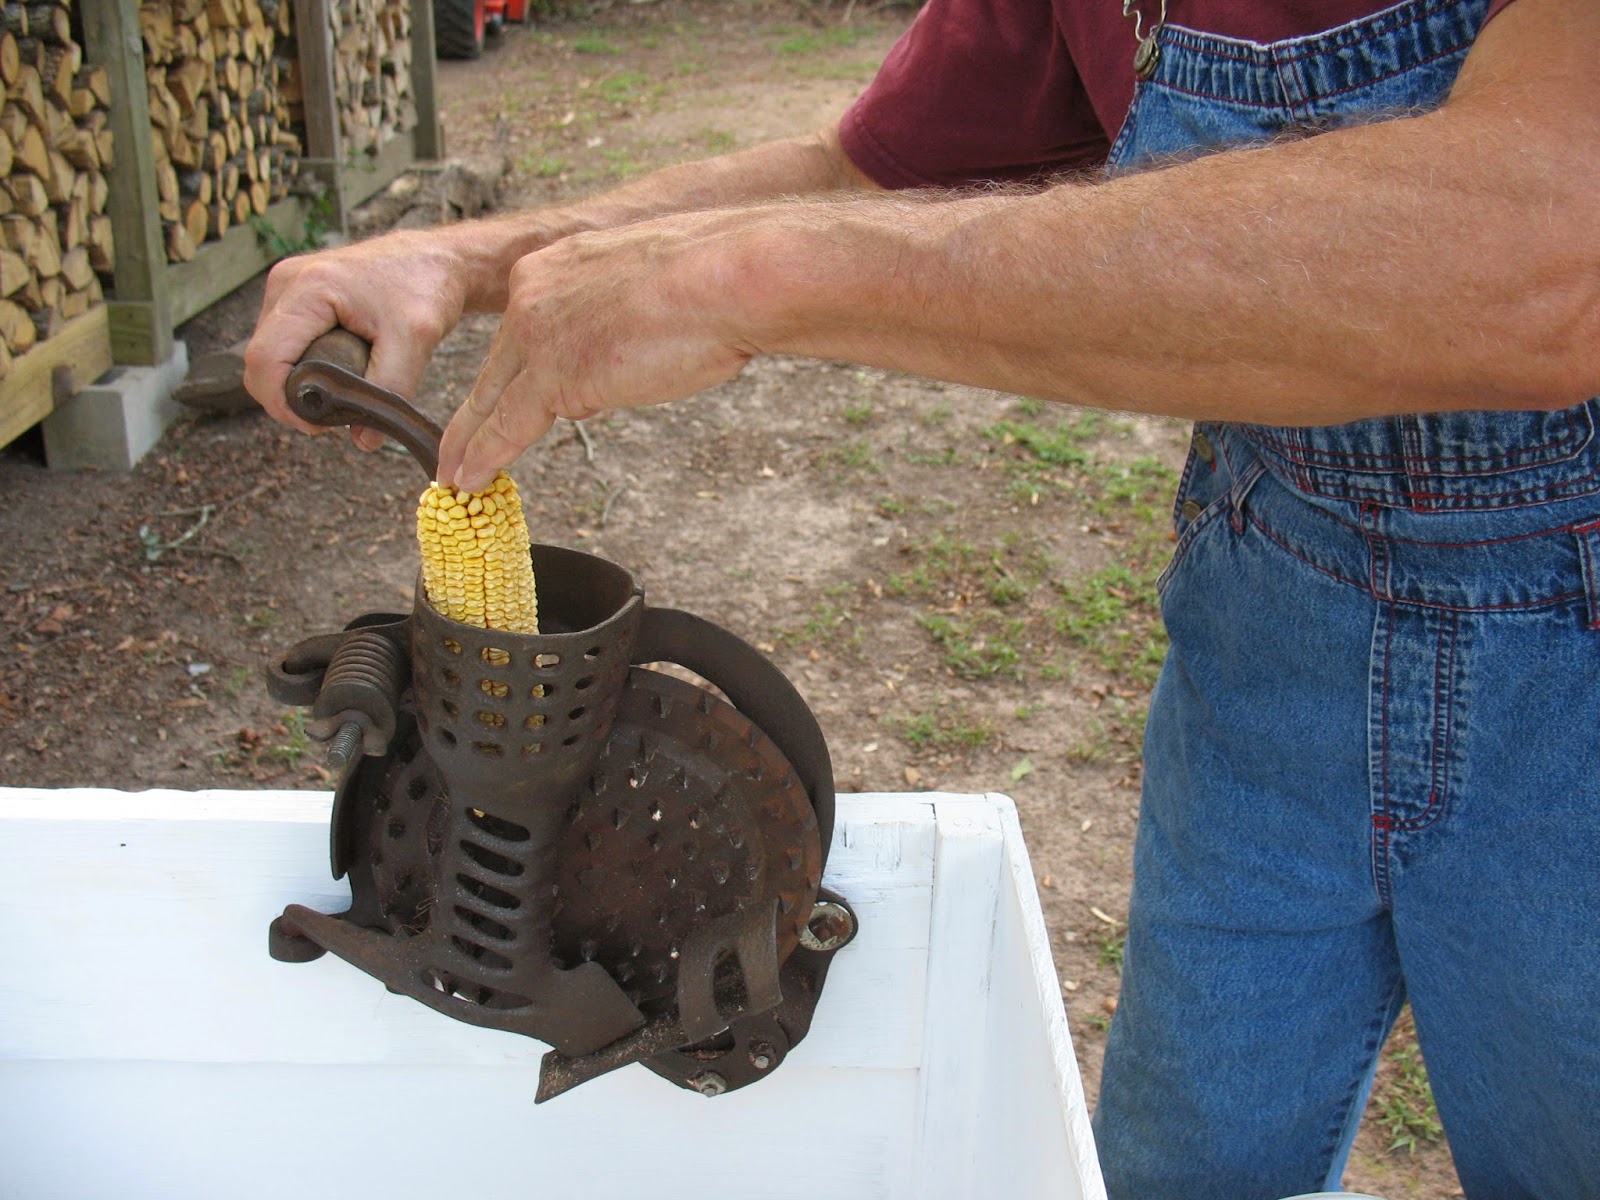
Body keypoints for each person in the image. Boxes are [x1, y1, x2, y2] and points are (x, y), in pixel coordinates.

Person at [246, 0, 1600, 1195]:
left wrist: (750, 281)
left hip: (1576, 669)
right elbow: (865, 170)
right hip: (1275, 611)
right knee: (1187, 1163)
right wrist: (472, 261)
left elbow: (1547, 258)